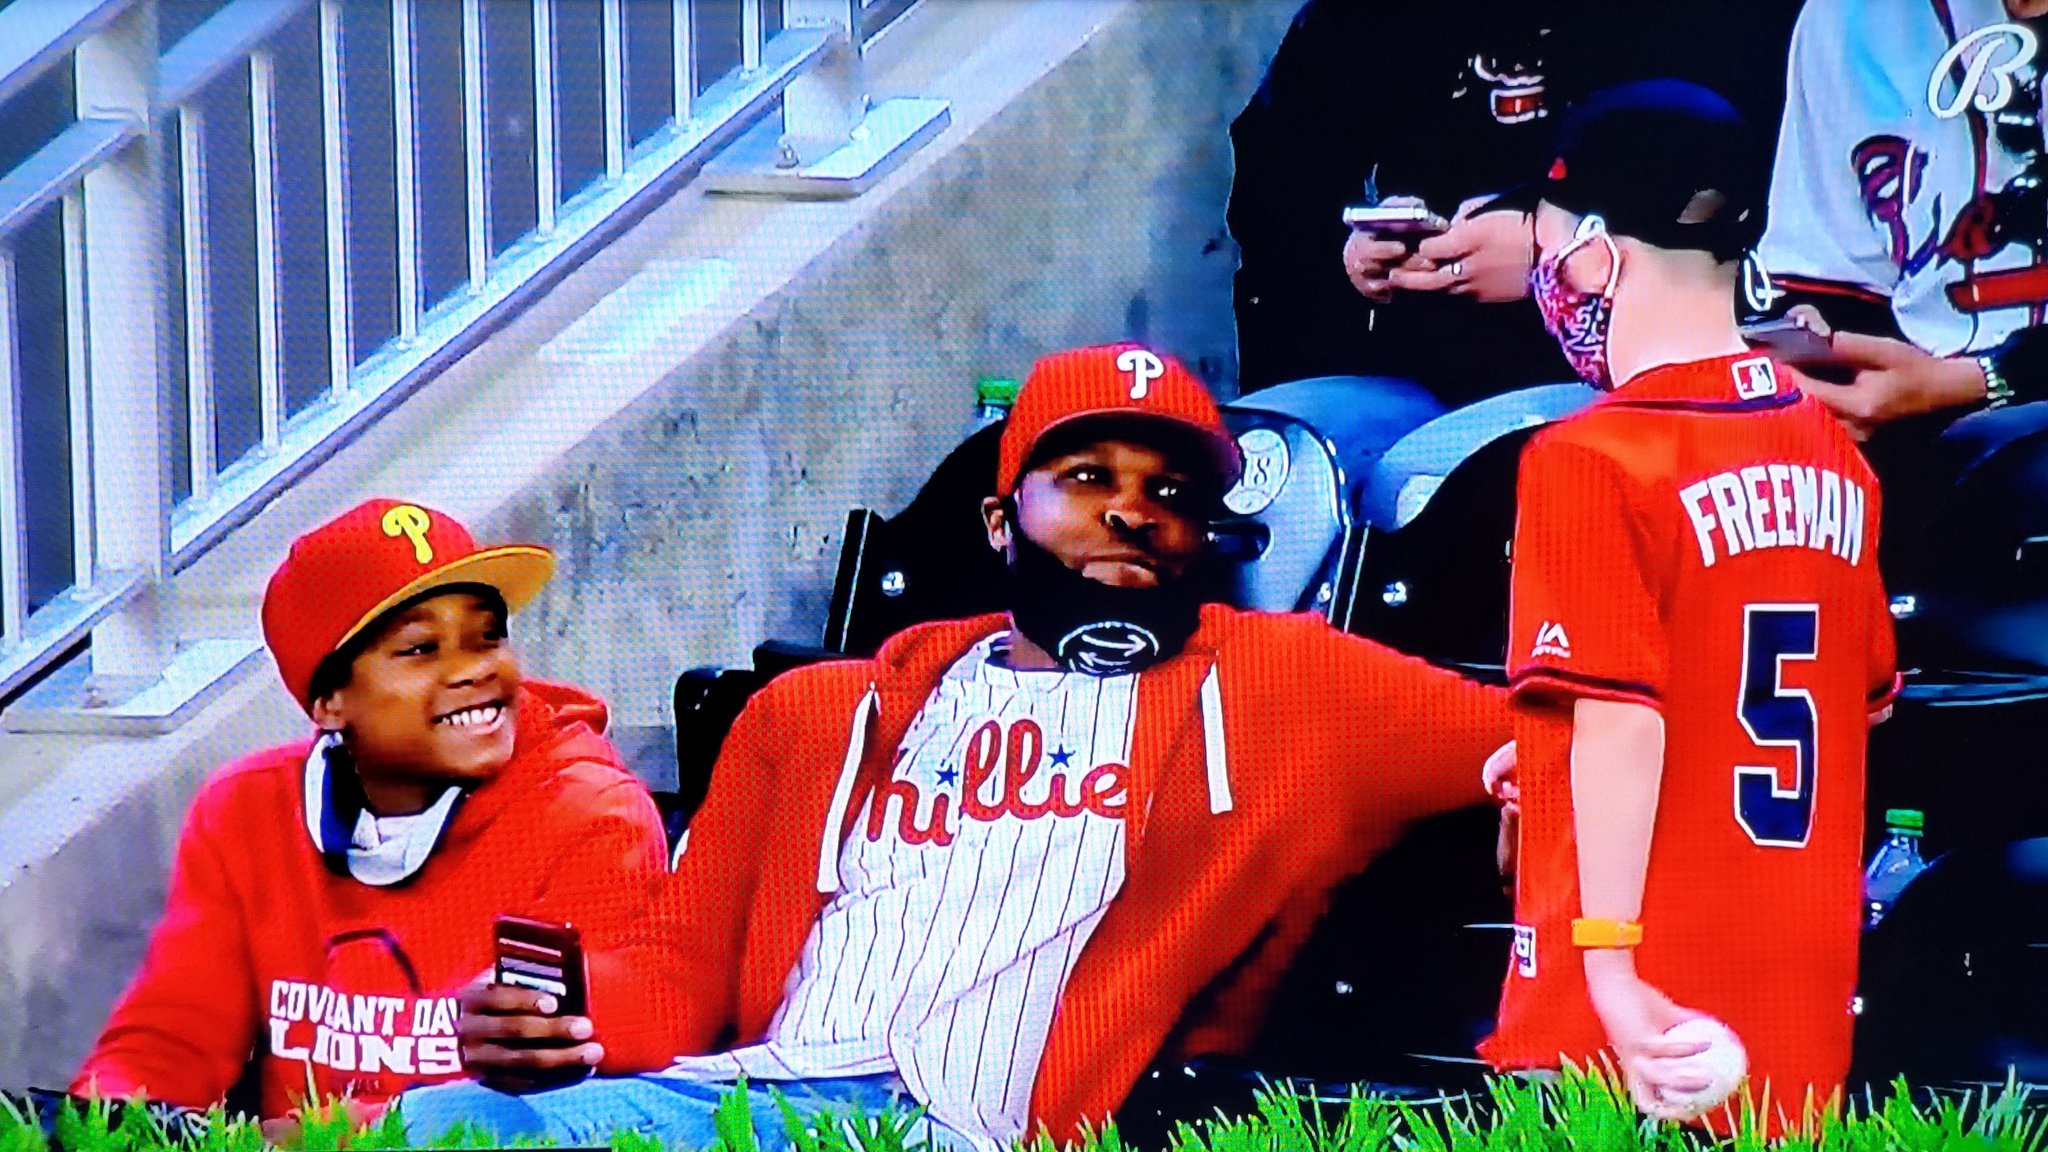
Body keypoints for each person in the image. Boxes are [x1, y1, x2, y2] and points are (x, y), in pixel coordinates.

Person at [399, 344, 1514, 1151]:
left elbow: (1559, 733)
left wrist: (1532, 785)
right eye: (1087, 480)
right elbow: (684, 966)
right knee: (432, 1120)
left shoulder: (1286, 686)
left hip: (966, 1127)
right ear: (998, 521)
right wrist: (566, 1023)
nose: (1131, 513)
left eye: (1170, 493)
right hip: (750, 1097)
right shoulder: (821, 712)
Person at [1474, 84, 1899, 1129]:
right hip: (1791, 1009)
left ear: (1592, 250)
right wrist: (1541, 762)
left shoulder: (1586, 456)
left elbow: (1623, 722)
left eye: (1544, 237)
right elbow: (1837, 707)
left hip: (1624, 1012)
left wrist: (1611, 971)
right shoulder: (1828, 449)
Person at [71, 500, 673, 1125]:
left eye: (487, 635)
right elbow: (169, 1044)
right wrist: (108, 1125)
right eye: (420, 649)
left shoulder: (591, 817)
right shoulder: (246, 811)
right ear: (329, 702)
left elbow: (561, 1105)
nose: (476, 670)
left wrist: (287, 1142)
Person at [1228, 0, 1800, 403]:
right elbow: (1278, 183)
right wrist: (1353, 256)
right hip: (1419, 396)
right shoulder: (1366, 19)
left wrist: (1558, 246)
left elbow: (1755, 176)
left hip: (1654, 387)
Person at [1755, 0, 2048, 437]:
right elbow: (1826, 280)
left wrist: (1985, 380)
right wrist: (1818, 341)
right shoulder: (1851, 15)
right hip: (1923, 439)